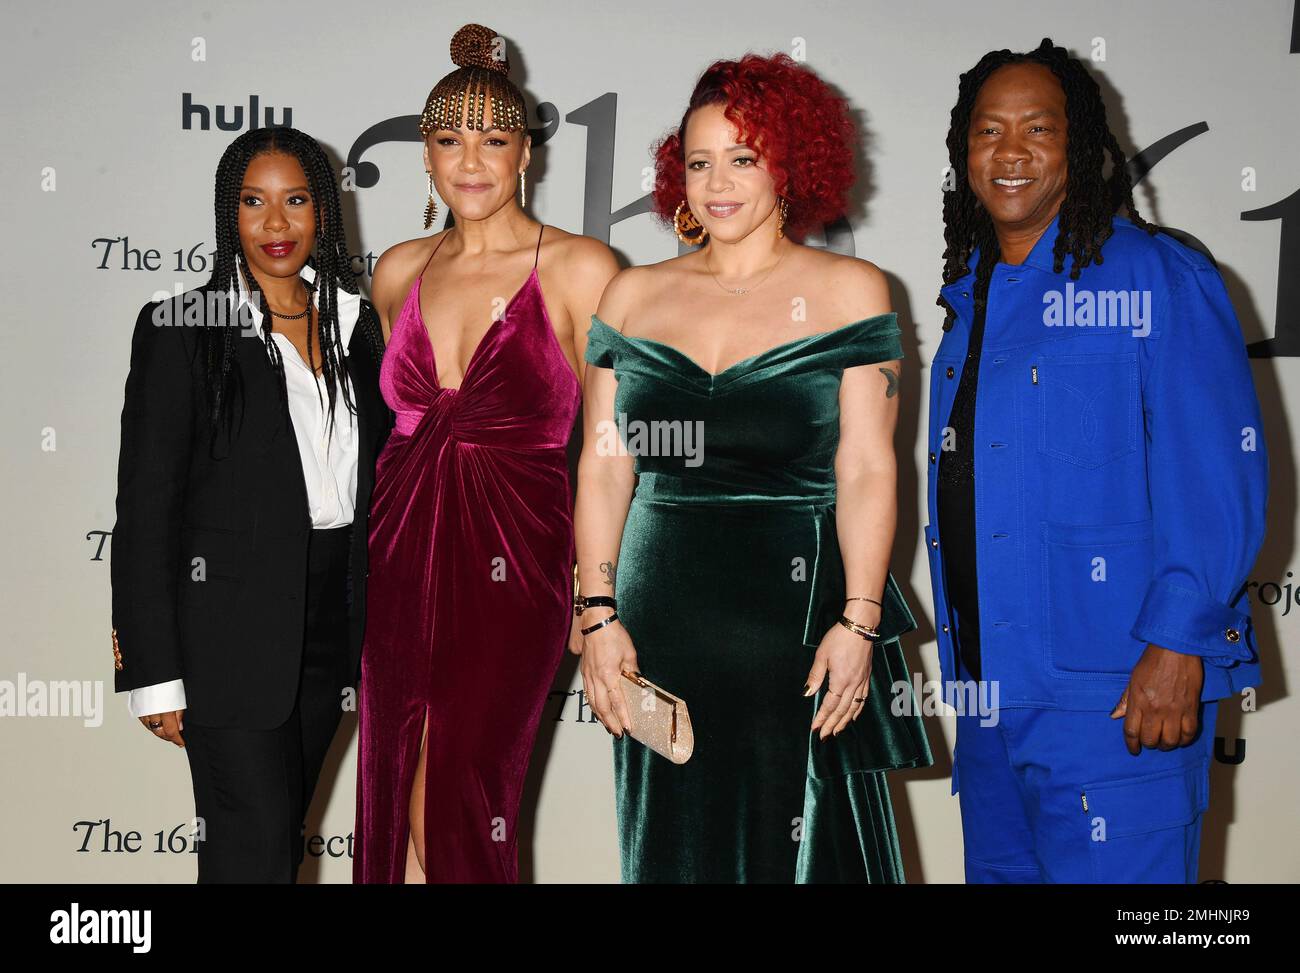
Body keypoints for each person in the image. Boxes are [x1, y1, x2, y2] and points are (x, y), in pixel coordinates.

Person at [575, 51, 931, 884]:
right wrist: (596, 615)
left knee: (805, 845)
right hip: (660, 617)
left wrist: (860, 620)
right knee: (672, 840)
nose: (718, 182)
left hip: (798, 621)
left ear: (790, 166)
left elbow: (869, 468)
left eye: (744, 157)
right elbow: (602, 467)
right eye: (699, 162)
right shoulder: (630, 295)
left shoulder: (852, 290)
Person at [927, 38, 1268, 883]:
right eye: (988, 130)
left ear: (1081, 147)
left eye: (1038, 128)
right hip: (991, 700)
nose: (1009, 151)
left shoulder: (1157, 274)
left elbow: (1217, 475)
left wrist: (1177, 646)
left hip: (1118, 695)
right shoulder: (969, 294)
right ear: (963, 150)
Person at [353, 23, 618, 884]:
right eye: (448, 139)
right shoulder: (395, 272)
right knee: (401, 787)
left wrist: (598, 589)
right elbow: (393, 431)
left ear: (527, 156)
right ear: (425, 157)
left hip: (516, 565)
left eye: (493, 139)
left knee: (464, 788)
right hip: (398, 560)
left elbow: (611, 447)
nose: (470, 160)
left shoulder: (583, 270)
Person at [110, 126, 391, 883]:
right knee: (255, 851)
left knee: (273, 843)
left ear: (323, 213)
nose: (276, 224)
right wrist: (154, 672)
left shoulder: (358, 326)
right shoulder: (181, 331)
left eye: (296, 200)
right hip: (224, 639)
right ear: (226, 214)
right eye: (253, 202)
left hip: (331, 631)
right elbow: (145, 514)